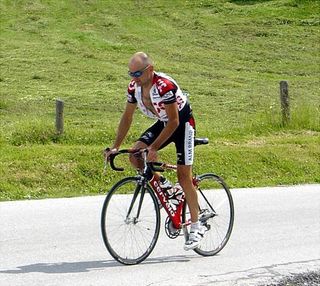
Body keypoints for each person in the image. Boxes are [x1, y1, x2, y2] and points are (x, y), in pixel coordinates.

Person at [104, 52, 205, 250]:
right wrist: (116, 145)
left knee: (184, 176)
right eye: (130, 74)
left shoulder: (164, 86)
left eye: (138, 73)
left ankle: (196, 225)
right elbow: (127, 117)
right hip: (164, 122)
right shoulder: (134, 88)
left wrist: (154, 147)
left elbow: (174, 121)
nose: (134, 78)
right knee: (135, 155)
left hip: (182, 124)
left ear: (150, 69)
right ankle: (165, 186)